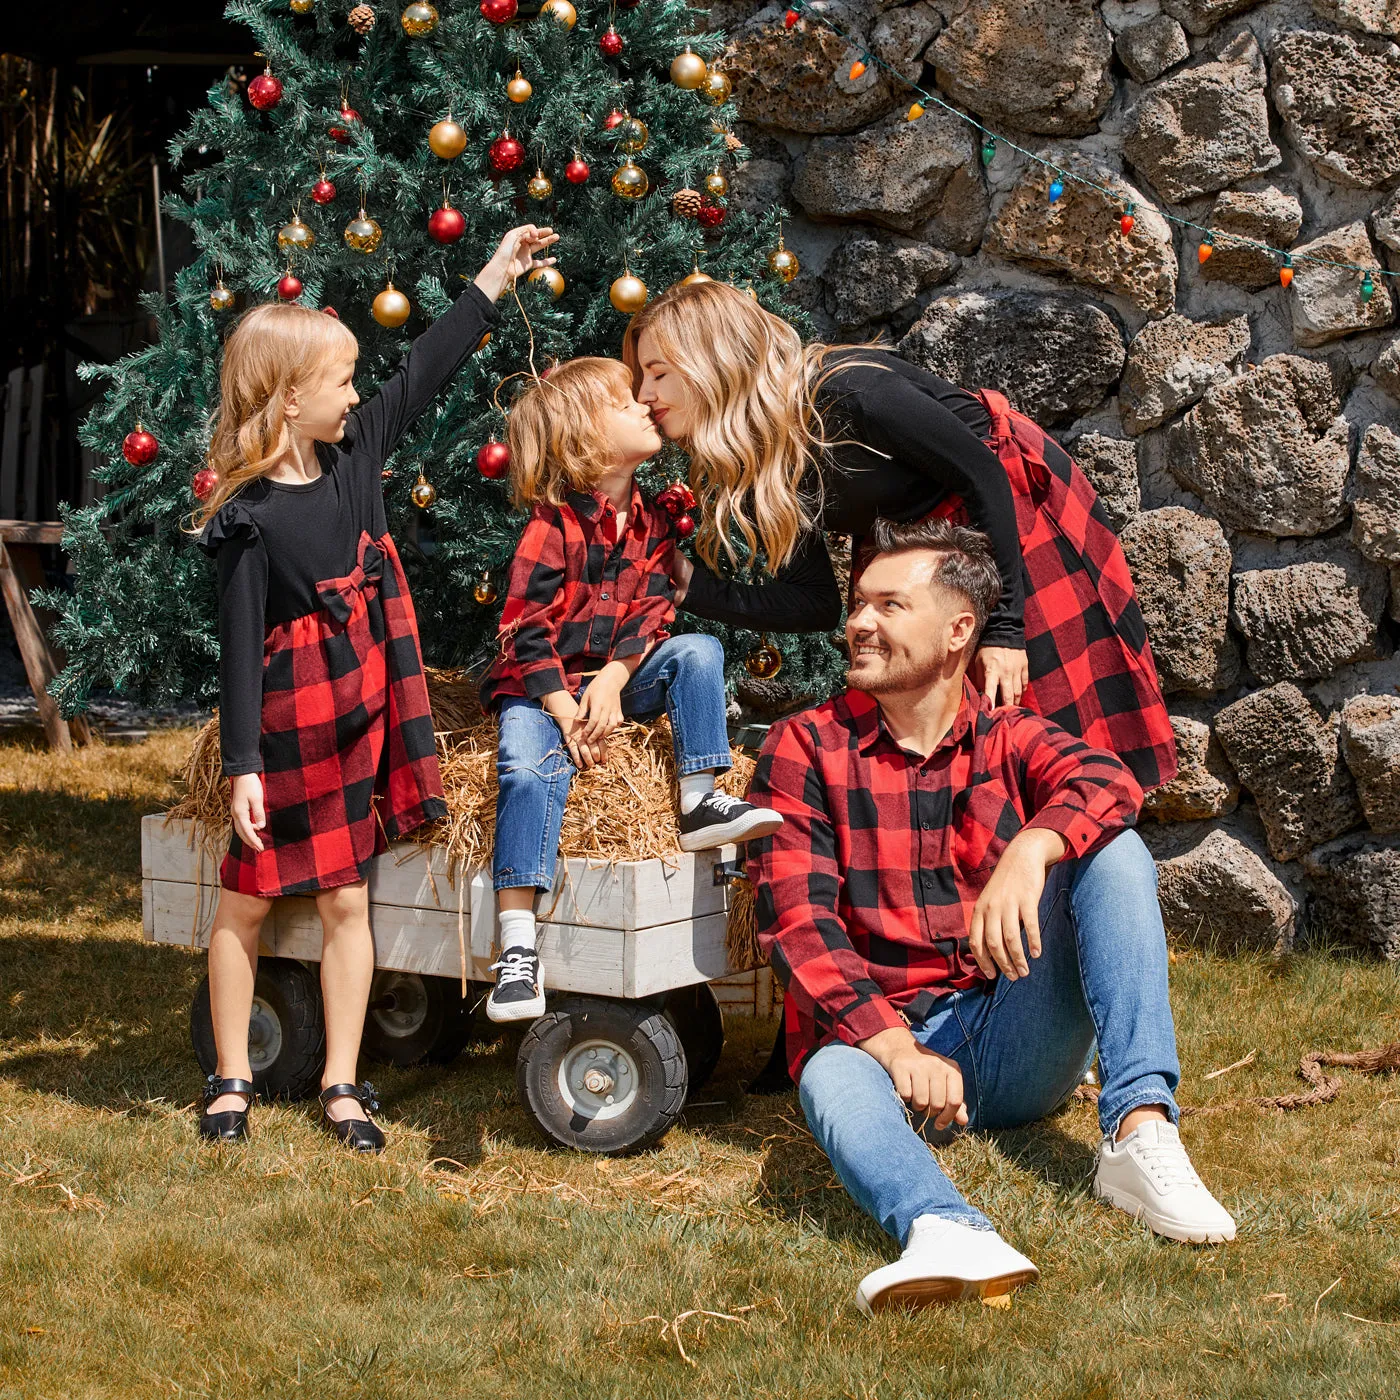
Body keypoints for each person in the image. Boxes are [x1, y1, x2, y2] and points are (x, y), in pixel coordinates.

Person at [623, 279, 1177, 1090]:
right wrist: (686, 588)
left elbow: (987, 473)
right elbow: (814, 602)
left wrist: (1003, 628)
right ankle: (863, 1016)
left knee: (1032, 754)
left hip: (1007, 538)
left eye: (659, 373)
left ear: (712, 363)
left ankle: (1056, 1007)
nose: (645, 394)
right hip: (915, 557)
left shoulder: (847, 395)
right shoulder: (776, 452)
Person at [745, 516, 1234, 1316]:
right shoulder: (808, 746)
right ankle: (945, 1228)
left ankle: (1141, 1132)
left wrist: (1034, 847)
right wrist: (897, 1047)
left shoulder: (1008, 737)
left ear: (959, 630)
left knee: (1112, 854)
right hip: (888, 1053)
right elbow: (799, 923)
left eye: (889, 607)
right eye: (859, 604)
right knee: (829, 1071)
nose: (858, 624)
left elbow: (1110, 782)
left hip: (1012, 1035)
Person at [192, 224, 559, 1150]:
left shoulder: (355, 456)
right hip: (286, 729)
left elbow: (423, 372)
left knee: (350, 901)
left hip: (358, 718)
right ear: (286, 401)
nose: (360, 393)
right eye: (342, 379)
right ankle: (231, 1076)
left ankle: (343, 1082)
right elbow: (240, 651)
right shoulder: (248, 519)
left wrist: (490, 278)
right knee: (246, 902)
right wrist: (242, 765)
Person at [477, 357, 783, 1022]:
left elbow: (651, 612)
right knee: (526, 773)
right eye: (625, 401)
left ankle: (701, 798)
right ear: (585, 439)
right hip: (540, 688)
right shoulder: (550, 526)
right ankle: (518, 948)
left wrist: (615, 680)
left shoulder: (648, 519)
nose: (647, 404)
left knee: (698, 650)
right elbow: (523, 631)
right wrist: (565, 711)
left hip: (609, 678)